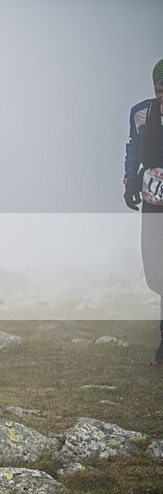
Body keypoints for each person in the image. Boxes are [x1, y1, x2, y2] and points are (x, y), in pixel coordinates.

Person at [124, 58, 163, 367]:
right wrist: (131, 180)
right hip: (153, 201)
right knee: (154, 275)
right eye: (160, 88)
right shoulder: (141, 112)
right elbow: (133, 149)